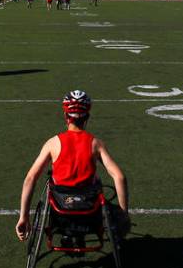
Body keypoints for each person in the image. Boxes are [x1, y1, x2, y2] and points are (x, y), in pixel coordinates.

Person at [15, 90, 129, 242]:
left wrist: (23, 217)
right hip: (88, 208)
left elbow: (30, 178)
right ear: (87, 117)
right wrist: (124, 214)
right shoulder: (95, 143)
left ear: (65, 116)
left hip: (61, 208)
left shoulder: (53, 143)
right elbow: (119, 177)